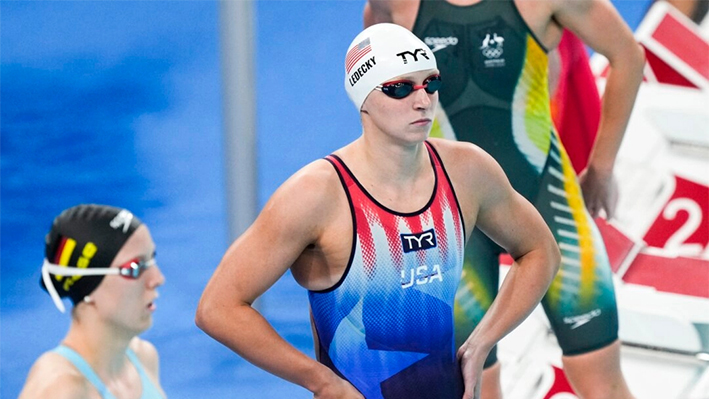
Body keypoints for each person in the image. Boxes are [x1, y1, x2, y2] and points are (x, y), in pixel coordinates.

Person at [196, 23, 559, 399]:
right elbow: (218, 307)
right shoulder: (317, 194)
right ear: (363, 97)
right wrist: (321, 382)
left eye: (430, 83)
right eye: (399, 88)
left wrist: (481, 343)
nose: (422, 101)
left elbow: (540, 251)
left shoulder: (466, 170)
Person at [363, 1, 645, 398]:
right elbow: (373, 85)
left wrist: (602, 166)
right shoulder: (392, 5)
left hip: (545, 202)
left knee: (598, 375)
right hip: (453, 217)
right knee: (471, 381)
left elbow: (628, 57)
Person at [19, 204, 166, 399]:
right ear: (88, 287)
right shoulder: (57, 388)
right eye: (134, 268)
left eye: (151, 259)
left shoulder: (143, 358)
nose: (157, 279)